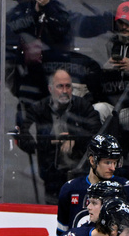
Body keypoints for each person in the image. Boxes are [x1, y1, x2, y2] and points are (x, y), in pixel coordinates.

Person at [16, 68, 103, 204]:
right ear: (50, 89)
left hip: (80, 174)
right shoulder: (38, 109)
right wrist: (53, 141)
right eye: (60, 86)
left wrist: (74, 139)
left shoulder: (83, 106)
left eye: (68, 86)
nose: (64, 91)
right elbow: (25, 138)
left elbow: (98, 133)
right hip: (49, 177)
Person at [56, 134, 129, 236]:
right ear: (92, 160)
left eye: (115, 163)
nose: (113, 168)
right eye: (107, 162)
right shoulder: (70, 189)